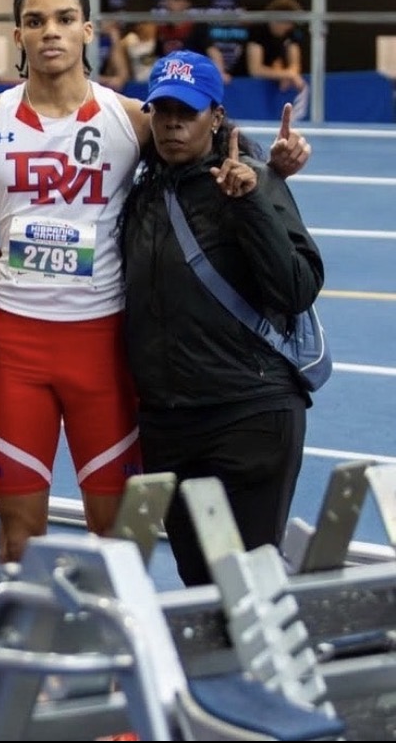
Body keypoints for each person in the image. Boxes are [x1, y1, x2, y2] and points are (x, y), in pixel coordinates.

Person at [0, 0, 310, 564]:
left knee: (118, 538)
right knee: (18, 535)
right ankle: (31, 655)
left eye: (63, 19)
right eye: (35, 21)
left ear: (87, 31)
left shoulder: (132, 117)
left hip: (104, 347)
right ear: (18, 35)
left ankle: (115, 650)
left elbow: (211, 142)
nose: (49, 31)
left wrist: (276, 164)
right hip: (17, 348)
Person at [118, 50, 322, 586]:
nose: (173, 123)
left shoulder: (253, 181)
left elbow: (296, 288)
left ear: (215, 116)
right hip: (169, 424)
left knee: (248, 592)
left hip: (247, 415)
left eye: (187, 111)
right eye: (161, 111)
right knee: (199, 588)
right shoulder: (141, 193)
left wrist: (251, 205)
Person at [243, 0, 306, 93]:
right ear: (275, 20)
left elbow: (295, 64)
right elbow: (255, 70)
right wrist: (286, 74)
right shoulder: (257, 32)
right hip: (246, 86)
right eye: (288, 22)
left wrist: (288, 75)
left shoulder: (290, 33)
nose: (290, 27)